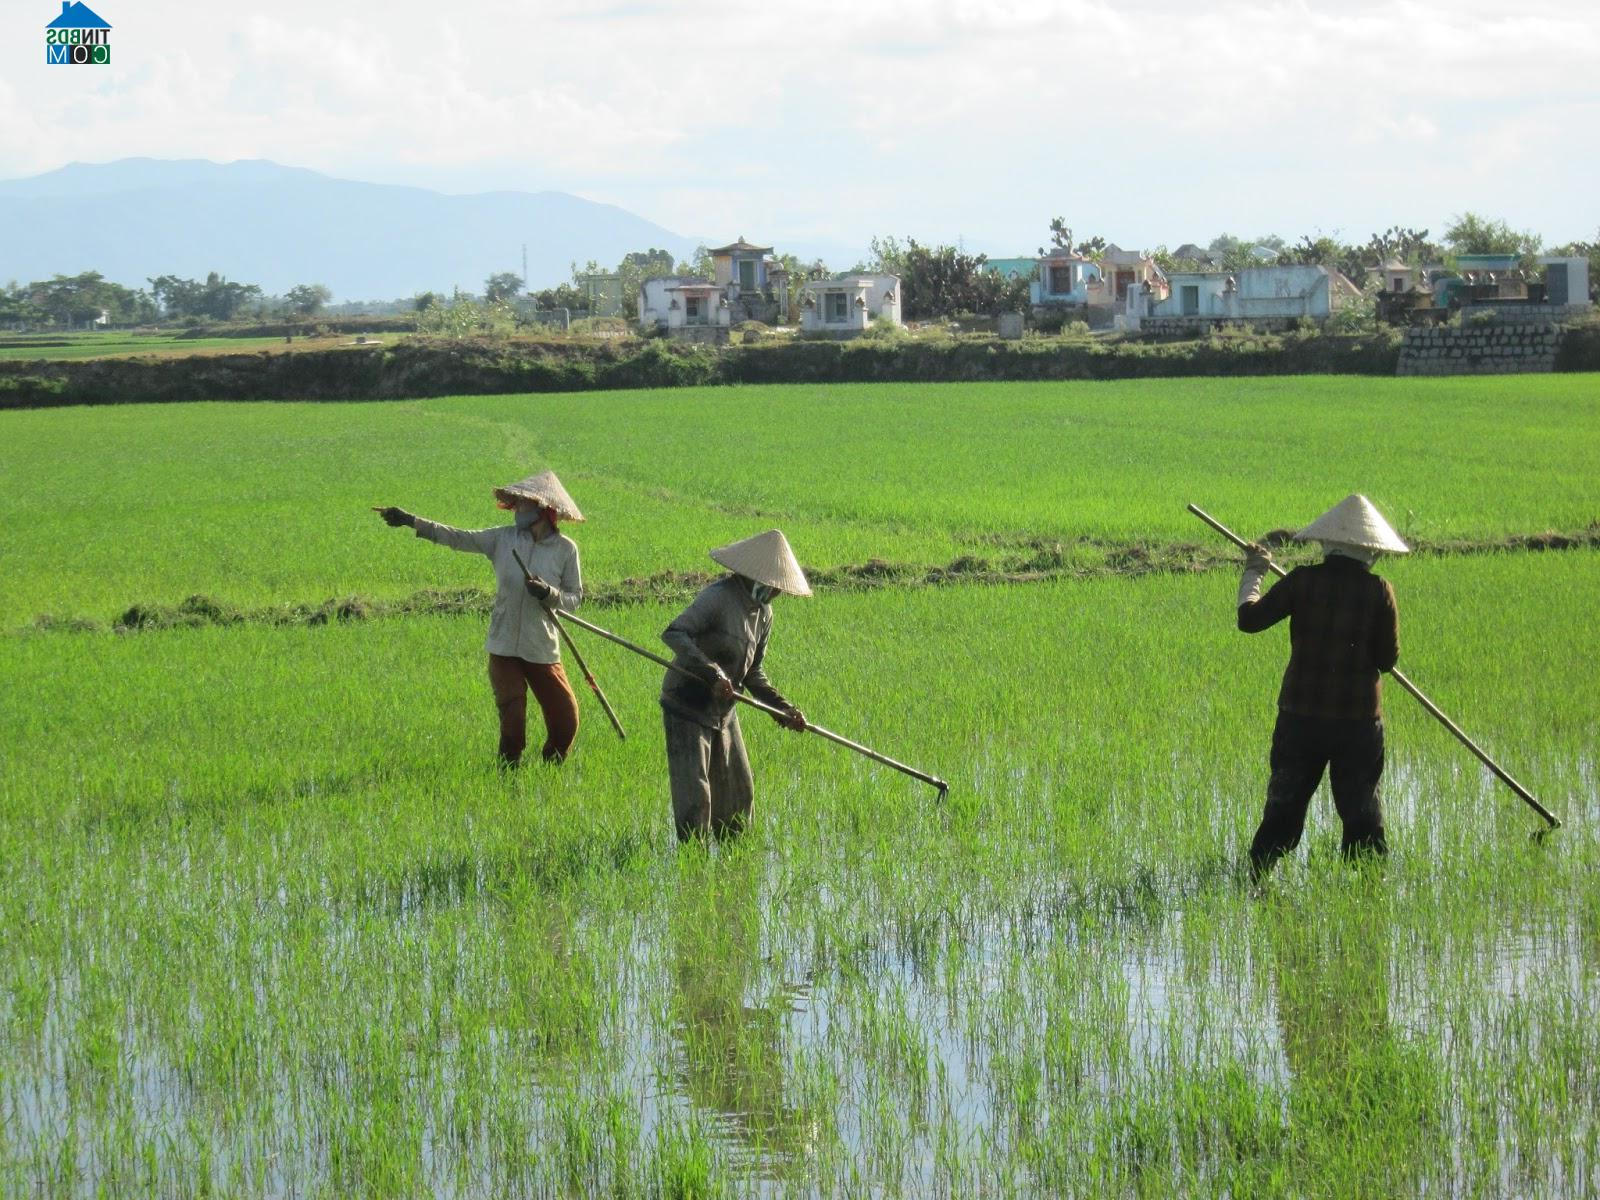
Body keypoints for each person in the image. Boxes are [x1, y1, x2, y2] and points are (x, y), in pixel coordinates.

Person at [1236, 494, 1408, 880]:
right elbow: (1386, 661)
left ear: (1328, 544)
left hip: (1301, 719)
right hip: (1357, 724)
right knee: (1362, 811)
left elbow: (1249, 619)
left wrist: (1255, 572)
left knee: (1285, 804)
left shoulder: (1302, 581)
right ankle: (1367, 888)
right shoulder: (1379, 591)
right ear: (1369, 551)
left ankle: (1259, 876)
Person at [376, 470, 584, 767]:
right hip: (503, 645)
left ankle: (551, 771)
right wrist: (410, 520)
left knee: (566, 721)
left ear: (542, 509)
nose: (516, 510)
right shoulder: (502, 539)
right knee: (513, 725)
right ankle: (507, 776)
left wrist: (548, 593)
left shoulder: (565, 551)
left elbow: (574, 598)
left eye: (523, 504)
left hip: (541, 647)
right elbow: (457, 537)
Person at [660, 530, 810, 842]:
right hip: (687, 703)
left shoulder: (764, 615)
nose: (778, 594)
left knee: (738, 793)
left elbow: (753, 673)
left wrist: (782, 709)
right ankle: (694, 864)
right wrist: (712, 672)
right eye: (775, 586)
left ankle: (735, 862)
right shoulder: (719, 597)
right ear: (760, 577)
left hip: (724, 709)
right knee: (695, 797)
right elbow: (674, 633)